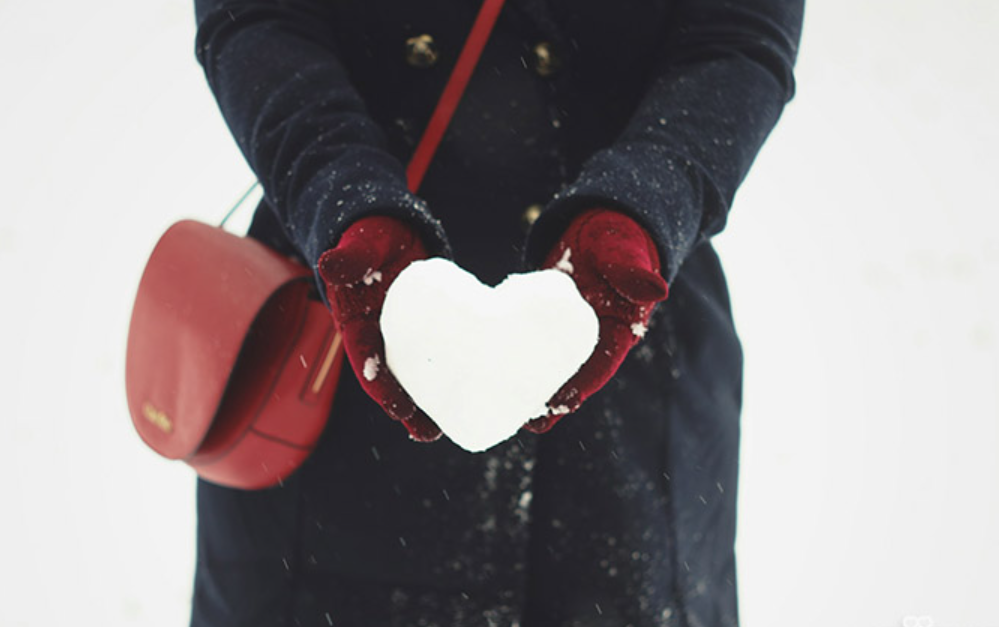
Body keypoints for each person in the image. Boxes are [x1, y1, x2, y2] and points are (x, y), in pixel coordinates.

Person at [191, 1, 803, 625]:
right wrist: (341, 195)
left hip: (628, 340)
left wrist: (646, 206)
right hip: (341, 320)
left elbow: (737, 38)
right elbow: (255, 16)